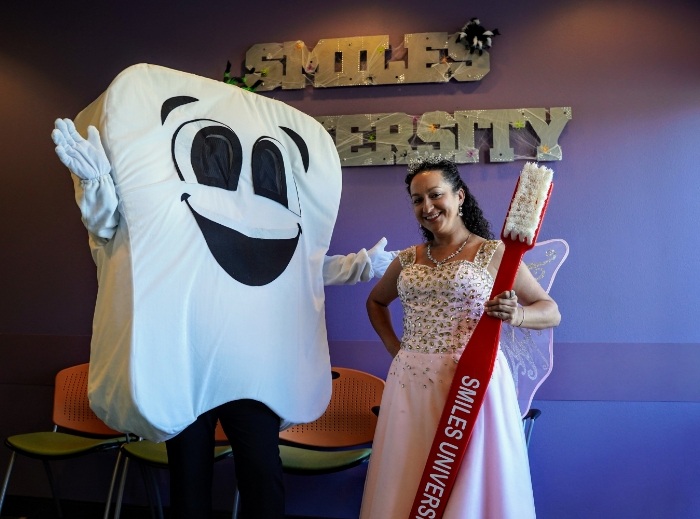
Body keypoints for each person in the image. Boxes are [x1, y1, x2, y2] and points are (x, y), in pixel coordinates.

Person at [359, 158, 561, 519]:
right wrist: (396, 348)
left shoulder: (494, 252)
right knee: (408, 471)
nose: (427, 207)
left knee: (471, 476)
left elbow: (550, 310)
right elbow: (375, 301)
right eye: (417, 199)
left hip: (472, 381)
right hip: (410, 385)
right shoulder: (408, 259)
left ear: (460, 196)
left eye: (435, 195)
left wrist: (518, 314)